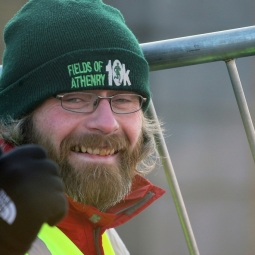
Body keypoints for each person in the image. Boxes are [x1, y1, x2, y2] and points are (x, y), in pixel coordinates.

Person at [0, 0, 166, 254]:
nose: (107, 124)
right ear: (21, 112)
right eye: (76, 98)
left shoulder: (97, 224)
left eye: (123, 100)